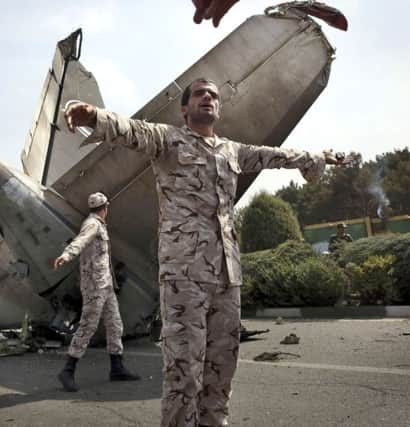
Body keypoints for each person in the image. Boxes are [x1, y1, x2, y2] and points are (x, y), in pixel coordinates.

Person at [64, 78, 349, 426]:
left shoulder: (230, 150)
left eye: (213, 95)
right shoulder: (168, 140)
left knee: (222, 367)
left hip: (227, 276)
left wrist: (317, 157)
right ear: (184, 108)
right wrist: (92, 115)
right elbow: (131, 130)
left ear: (218, 108)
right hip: (185, 274)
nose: (207, 98)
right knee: (184, 370)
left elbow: (272, 154)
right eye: (199, 94)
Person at [53, 192, 140, 392]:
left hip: (106, 285)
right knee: (87, 327)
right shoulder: (92, 224)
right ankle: (67, 371)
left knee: (115, 325)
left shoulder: (99, 224)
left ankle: (117, 368)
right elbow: (81, 240)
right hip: (94, 286)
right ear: (105, 208)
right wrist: (67, 254)